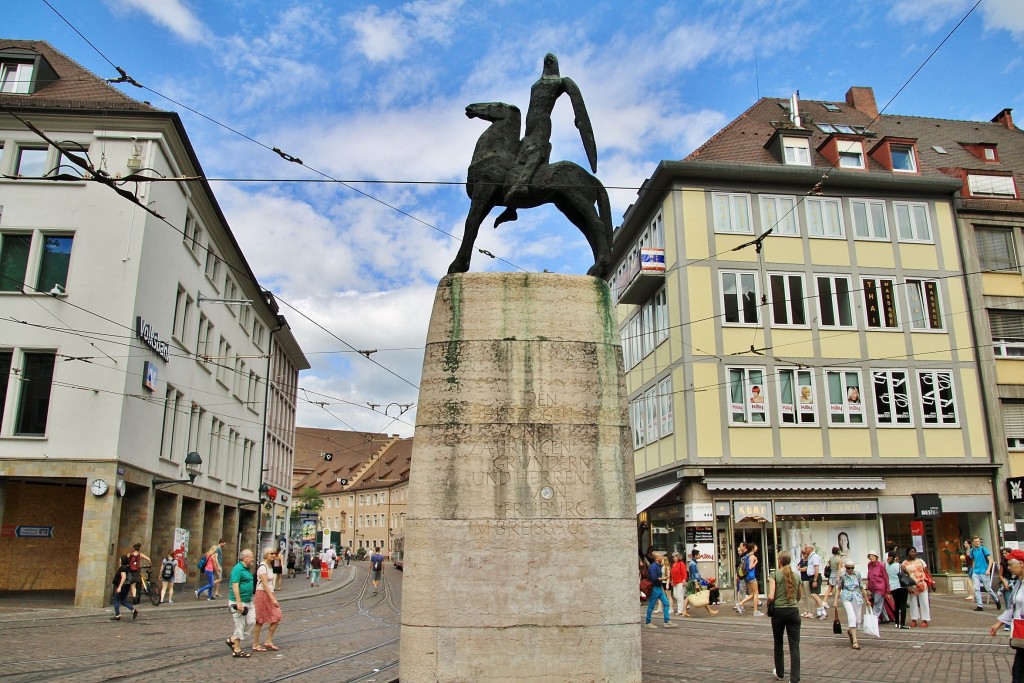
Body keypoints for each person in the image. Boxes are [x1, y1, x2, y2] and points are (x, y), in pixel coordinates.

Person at [502, 53, 595, 218]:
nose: (548, 60)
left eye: (551, 60)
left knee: (534, 152)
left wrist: (579, 118)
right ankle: (511, 208)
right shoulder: (538, 83)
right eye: (546, 60)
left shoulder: (561, 81)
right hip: (529, 125)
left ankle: (521, 186)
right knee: (518, 159)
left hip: (542, 123)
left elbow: (577, 101)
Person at [989, 548, 1024, 681]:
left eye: (1011, 565)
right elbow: (1012, 606)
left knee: (1019, 672)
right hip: (1020, 632)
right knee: (1018, 671)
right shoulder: (1018, 583)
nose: (1009, 568)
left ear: (1021, 563)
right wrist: (999, 623)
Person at [767, 550, 802, 682]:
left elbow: (770, 596)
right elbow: (799, 596)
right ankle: (795, 678)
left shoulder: (774, 574)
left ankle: (780, 673)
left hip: (778, 613)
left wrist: (769, 603)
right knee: (794, 646)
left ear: (780, 561)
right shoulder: (797, 576)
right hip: (793, 612)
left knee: (778, 642)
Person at [832, 557, 869, 650]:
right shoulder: (843, 576)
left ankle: (850, 631)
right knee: (851, 616)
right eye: (848, 568)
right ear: (845, 567)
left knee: (857, 620)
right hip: (846, 597)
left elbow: (861, 587)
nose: (850, 570)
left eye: (852, 568)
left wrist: (867, 599)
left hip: (857, 597)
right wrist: (835, 600)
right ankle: (855, 641)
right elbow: (839, 588)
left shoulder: (858, 574)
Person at [226, 549, 256, 658]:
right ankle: (237, 650)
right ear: (245, 558)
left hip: (248, 601)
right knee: (240, 624)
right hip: (238, 601)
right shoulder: (237, 569)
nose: (253, 559)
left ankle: (233, 639)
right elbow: (235, 586)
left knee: (252, 621)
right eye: (251, 557)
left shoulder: (247, 569)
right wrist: (238, 603)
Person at [252, 549, 283, 652]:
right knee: (260, 620)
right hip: (262, 594)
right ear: (266, 555)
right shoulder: (262, 567)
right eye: (271, 553)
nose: (273, 555)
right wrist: (273, 599)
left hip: (269, 593)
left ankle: (268, 641)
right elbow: (265, 584)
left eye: (274, 554)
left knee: (277, 616)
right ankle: (256, 644)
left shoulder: (270, 566)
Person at [902, 546, 933, 627]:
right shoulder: (904, 563)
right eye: (911, 552)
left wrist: (932, 582)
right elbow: (903, 575)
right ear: (907, 553)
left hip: (922, 584)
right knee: (913, 603)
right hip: (911, 586)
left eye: (914, 552)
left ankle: (925, 620)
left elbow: (927, 571)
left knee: (924, 603)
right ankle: (914, 620)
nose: (913, 553)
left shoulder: (920, 561)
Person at [969, 536, 1002, 611]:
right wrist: (973, 569)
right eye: (976, 541)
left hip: (984, 572)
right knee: (976, 589)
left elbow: (990, 560)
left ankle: (996, 600)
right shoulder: (972, 551)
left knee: (988, 589)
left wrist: (988, 570)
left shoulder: (983, 549)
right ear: (973, 542)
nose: (977, 543)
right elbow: (973, 560)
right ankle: (980, 605)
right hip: (976, 572)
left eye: (978, 541)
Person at [644, 552, 675, 628]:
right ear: (657, 558)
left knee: (666, 603)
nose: (662, 557)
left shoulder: (657, 566)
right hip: (655, 588)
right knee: (651, 605)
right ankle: (648, 622)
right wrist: (664, 578)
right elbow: (654, 578)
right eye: (661, 556)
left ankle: (666, 621)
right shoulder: (653, 567)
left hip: (659, 587)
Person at [110, 555, 139, 621]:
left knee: (116, 600)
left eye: (120, 559)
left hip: (122, 586)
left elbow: (123, 577)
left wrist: (119, 587)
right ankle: (133, 610)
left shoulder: (123, 568)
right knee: (123, 601)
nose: (119, 560)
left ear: (122, 560)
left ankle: (117, 615)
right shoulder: (128, 567)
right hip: (127, 586)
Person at [885, 550, 908, 629]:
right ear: (896, 557)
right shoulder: (899, 565)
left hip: (893, 587)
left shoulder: (887, 566)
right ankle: (902, 624)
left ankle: (896, 623)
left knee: (896, 605)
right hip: (901, 586)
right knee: (903, 605)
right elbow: (907, 572)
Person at [739, 542, 762, 616]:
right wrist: (756, 562)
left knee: (752, 594)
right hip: (751, 576)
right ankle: (755, 611)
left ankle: (740, 603)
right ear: (752, 548)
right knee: (756, 593)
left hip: (747, 577)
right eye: (755, 547)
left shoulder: (746, 556)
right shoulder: (752, 556)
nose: (757, 548)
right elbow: (750, 567)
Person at [866, 550, 889, 621]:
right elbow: (869, 576)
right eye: (870, 556)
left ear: (876, 557)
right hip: (873, 587)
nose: (871, 558)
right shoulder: (869, 565)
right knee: (879, 602)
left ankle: (874, 618)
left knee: (877, 602)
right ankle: (886, 618)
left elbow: (885, 577)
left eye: (873, 556)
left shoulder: (881, 565)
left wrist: (888, 590)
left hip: (880, 587)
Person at [670, 551, 688, 616]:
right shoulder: (674, 565)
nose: (673, 558)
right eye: (673, 557)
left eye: (674, 557)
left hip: (680, 582)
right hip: (675, 582)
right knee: (675, 595)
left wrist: (684, 580)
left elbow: (684, 572)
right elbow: (672, 574)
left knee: (680, 596)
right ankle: (684, 607)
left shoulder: (681, 563)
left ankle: (680, 610)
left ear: (678, 557)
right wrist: (672, 580)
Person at [734, 542, 748, 612]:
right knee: (742, 591)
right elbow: (738, 566)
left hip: (745, 576)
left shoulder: (746, 556)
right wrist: (737, 575)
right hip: (742, 576)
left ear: (744, 547)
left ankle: (741, 605)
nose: (739, 548)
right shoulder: (741, 556)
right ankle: (741, 605)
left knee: (745, 591)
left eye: (740, 546)